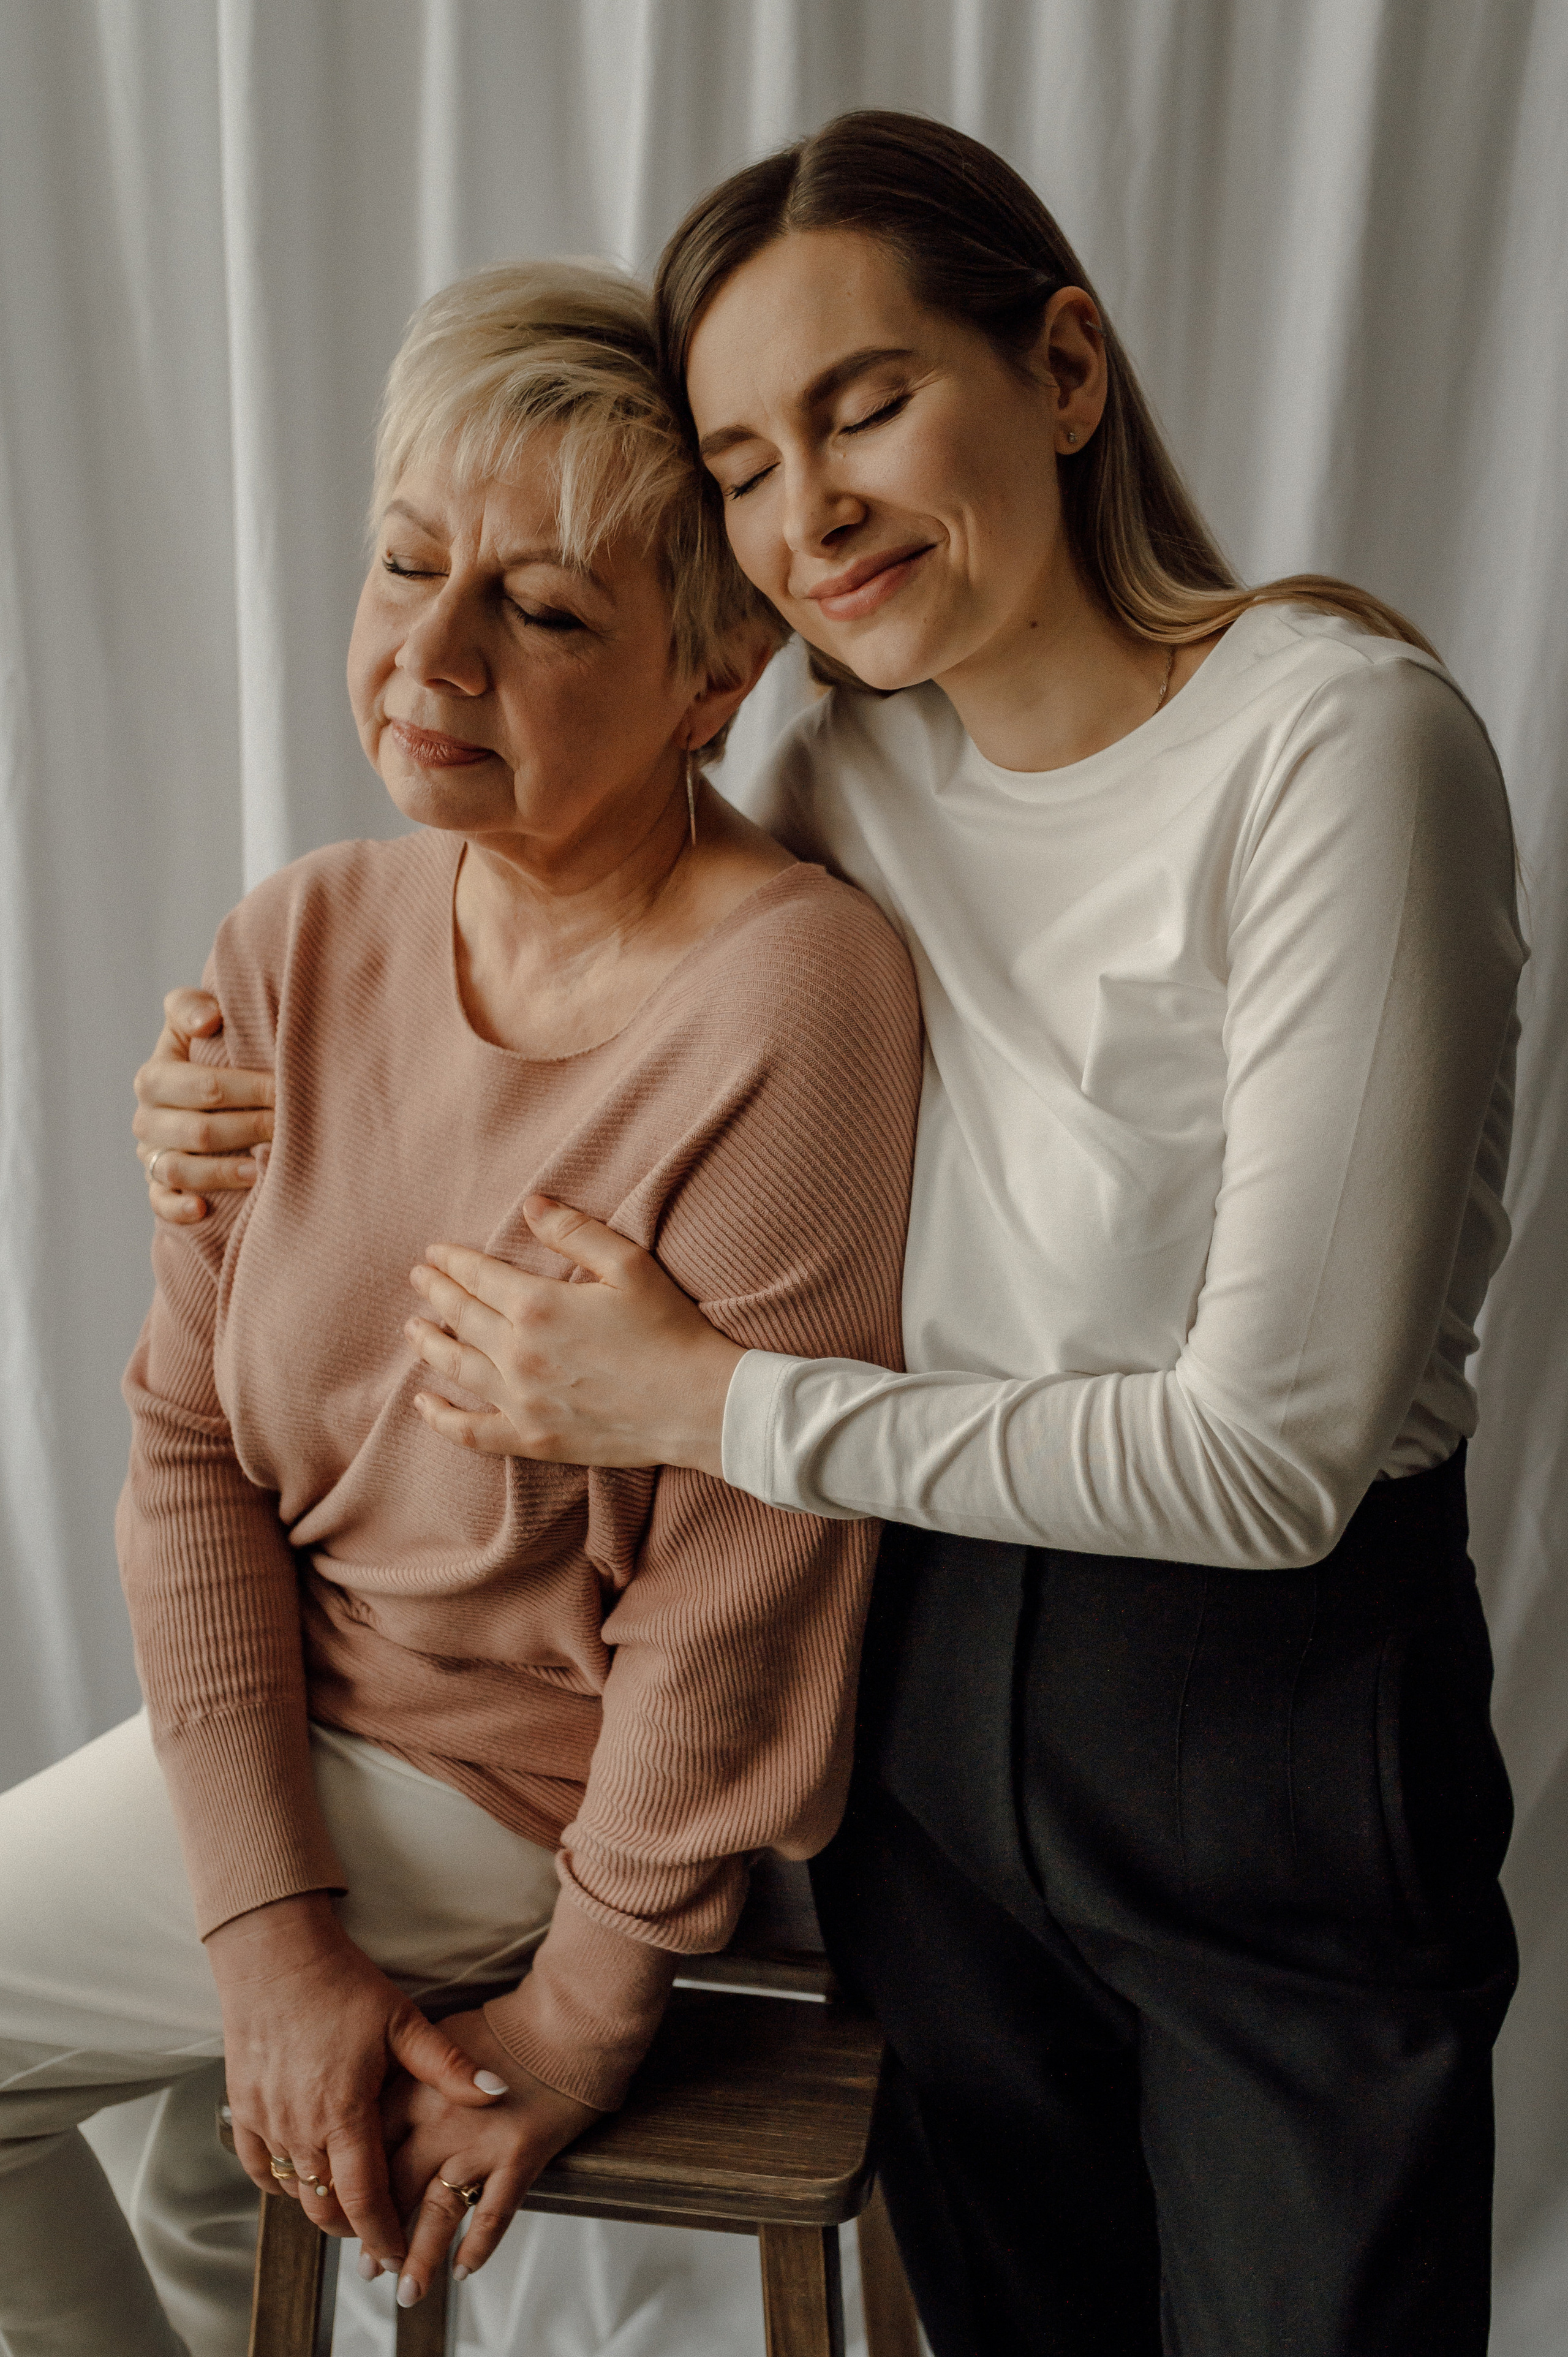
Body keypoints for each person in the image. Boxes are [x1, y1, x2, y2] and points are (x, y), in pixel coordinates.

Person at [134, 113, 1526, 2357]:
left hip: (1254, 1717)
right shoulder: (844, 785)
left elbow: (1270, 1465)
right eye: (749, 459)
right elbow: (575, 1016)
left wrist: (718, 1405)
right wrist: (238, 1109)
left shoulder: (1334, 747)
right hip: (916, 1728)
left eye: (866, 405)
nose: (812, 514)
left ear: (1064, 368)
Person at [0, 255, 921, 2357]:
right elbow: (181, 1452)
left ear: (718, 675)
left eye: (547, 607)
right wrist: (265, 1933)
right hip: (276, 1742)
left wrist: (592, 2000)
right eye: (408, 562)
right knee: (181, 2165)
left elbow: (743, 1580)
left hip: (512, 1801)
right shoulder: (304, 934)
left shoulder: (792, 998)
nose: (431, 653)